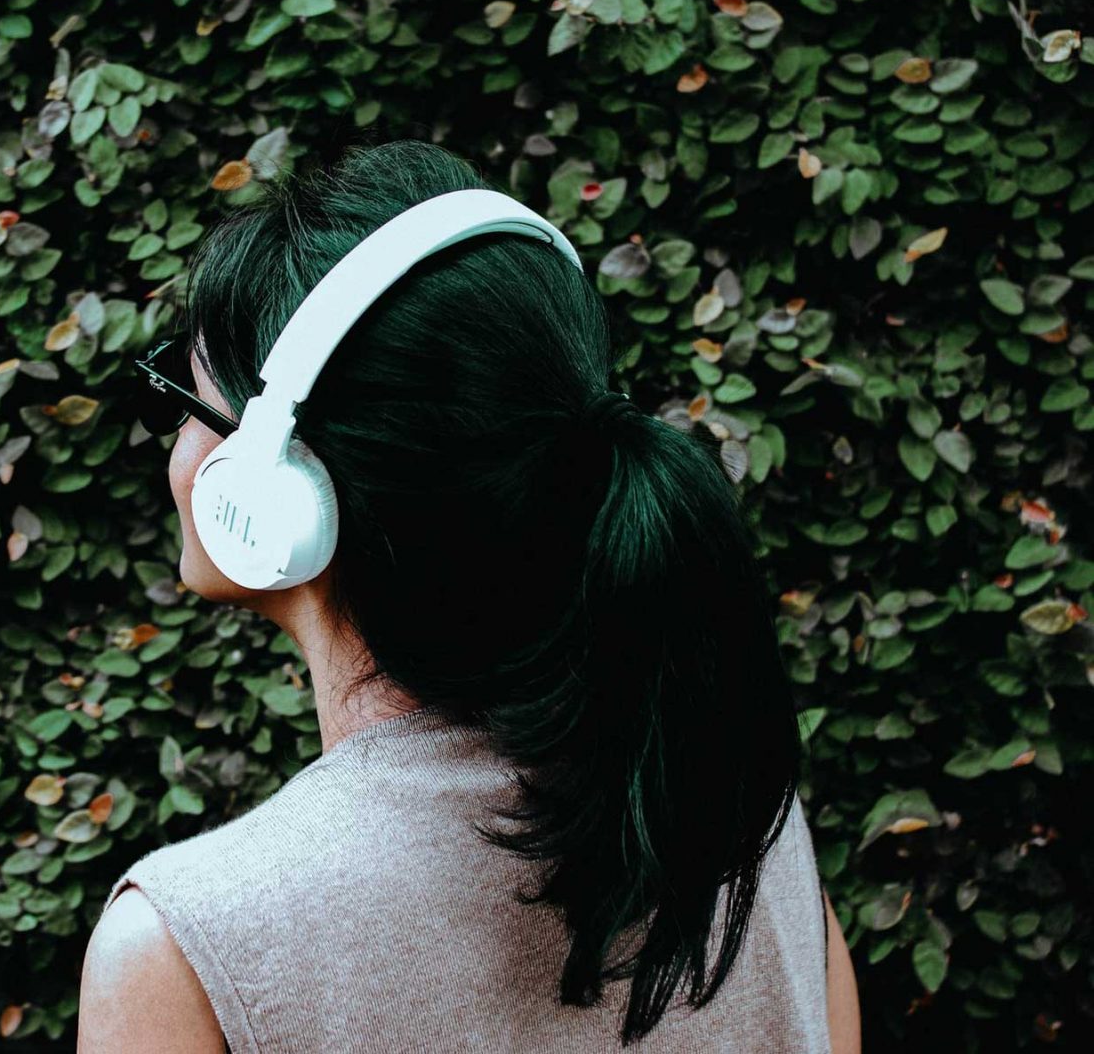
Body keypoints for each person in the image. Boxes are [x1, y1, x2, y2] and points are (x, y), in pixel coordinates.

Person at [79, 139, 860, 1052]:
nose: (173, 441)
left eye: (185, 400)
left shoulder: (190, 948)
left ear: (273, 495)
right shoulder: (736, 821)